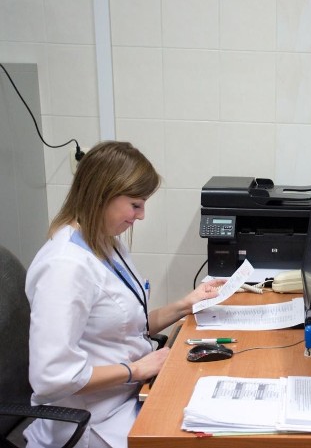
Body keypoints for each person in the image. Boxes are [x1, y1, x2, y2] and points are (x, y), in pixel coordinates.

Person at [24, 141, 226, 448]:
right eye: (135, 204)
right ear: (102, 194)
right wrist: (137, 369)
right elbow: (52, 377)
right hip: (91, 421)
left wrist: (186, 304)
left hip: (129, 394)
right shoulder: (64, 267)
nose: (141, 215)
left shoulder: (107, 243)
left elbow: (129, 327)